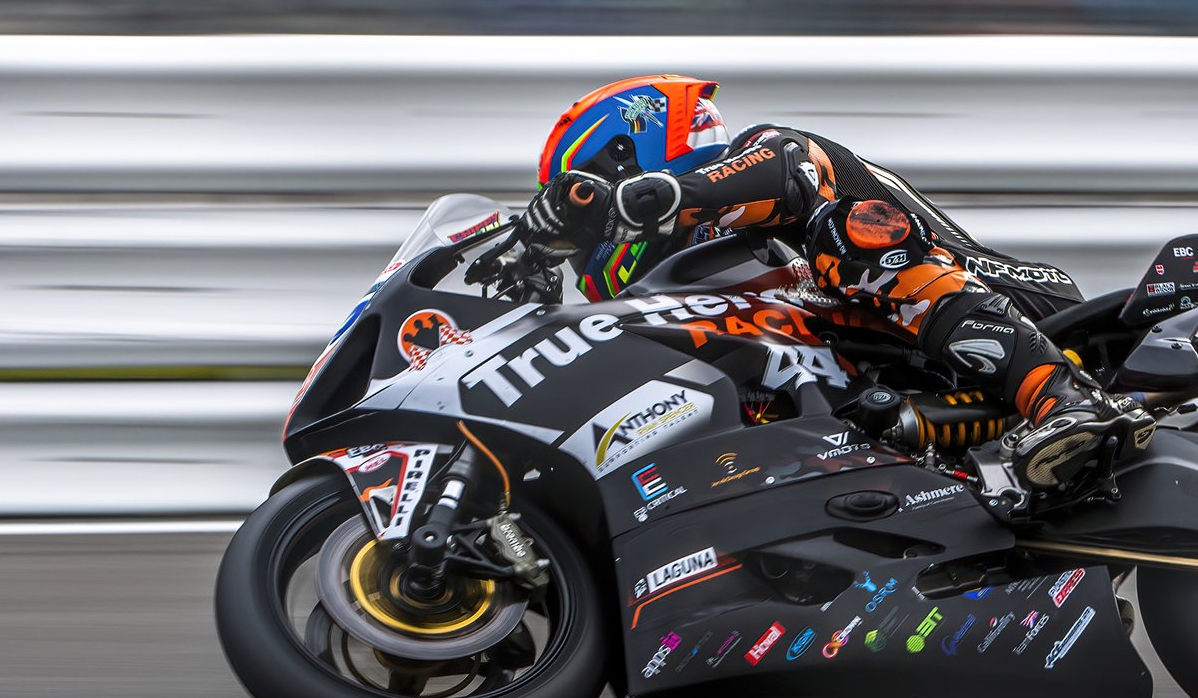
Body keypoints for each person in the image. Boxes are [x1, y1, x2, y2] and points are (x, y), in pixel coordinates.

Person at [480, 73, 1154, 492]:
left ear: (635, 155)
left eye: (590, 194)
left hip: (1014, 302)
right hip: (881, 376)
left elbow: (783, 172)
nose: (593, 234)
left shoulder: (770, 153)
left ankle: (1064, 399)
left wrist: (656, 196)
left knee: (848, 236)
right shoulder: (709, 280)